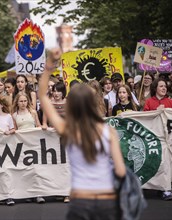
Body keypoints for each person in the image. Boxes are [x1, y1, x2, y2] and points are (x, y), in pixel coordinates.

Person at [39, 49, 126, 220]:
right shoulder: (109, 131)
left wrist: (49, 66)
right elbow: (120, 171)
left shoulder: (68, 129)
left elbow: (42, 96)